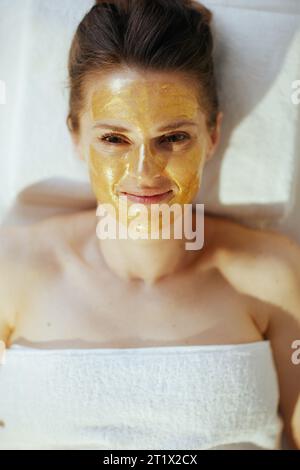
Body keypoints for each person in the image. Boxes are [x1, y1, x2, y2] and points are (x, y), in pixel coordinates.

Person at [0, 0, 299, 450]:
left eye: (174, 137)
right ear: (77, 136)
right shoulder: (10, 269)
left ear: (212, 136)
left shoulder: (275, 274)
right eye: (114, 139)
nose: (144, 170)